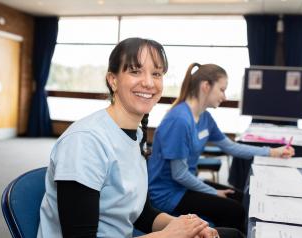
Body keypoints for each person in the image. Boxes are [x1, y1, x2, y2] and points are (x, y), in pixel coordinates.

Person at [37, 38, 230, 238]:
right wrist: (169, 235)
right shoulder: (84, 141)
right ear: (113, 80)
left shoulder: (135, 135)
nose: (148, 82)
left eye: (156, 74)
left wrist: (188, 226)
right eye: (135, 71)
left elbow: (142, 215)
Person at [147, 63, 295, 234]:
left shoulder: (205, 118)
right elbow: (179, 174)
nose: (224, 96)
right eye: (222, 89)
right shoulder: (179, 120)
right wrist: (213, 192)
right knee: (234, 210)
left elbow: (231, 147)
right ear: (205, 86)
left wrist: (271, 152)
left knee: (241, 198)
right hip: (168, 193)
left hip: (184, 185)